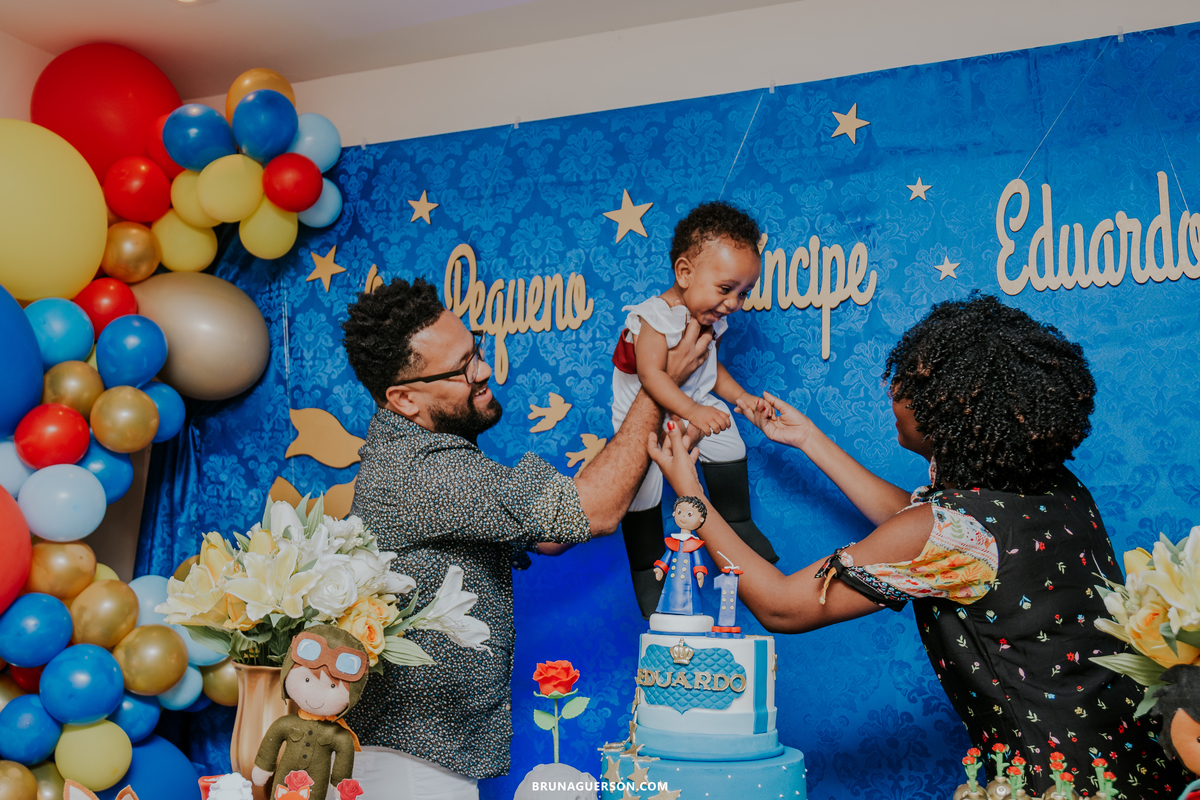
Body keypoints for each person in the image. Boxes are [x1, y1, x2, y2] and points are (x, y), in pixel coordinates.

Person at [646, 294, 1189, 796]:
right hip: (1139, 762)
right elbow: (926, 525)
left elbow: (783, 606)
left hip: (1060, 784)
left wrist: (689, 494)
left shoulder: (948, 533)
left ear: (952, 413)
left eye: (913, 382)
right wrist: (808, 438)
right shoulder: (1059, 487)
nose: (894, 390)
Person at [338, 276, 711, 800]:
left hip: (424, 754)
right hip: (403, 766)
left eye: (476, 351)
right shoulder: (422, 473)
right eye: (462, 367)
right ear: (402, 399)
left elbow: (556, 533)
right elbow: (596, 510)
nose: (484, 370)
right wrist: (656, 385)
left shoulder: (432, 458)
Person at [613, 200, 777, 620]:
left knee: (728, 444)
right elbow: (652, 376)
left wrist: (740, 398)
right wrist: (691, 411)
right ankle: (647, 570)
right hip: (645, 421)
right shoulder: (653, 318)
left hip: (694, 406)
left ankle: (737, 522)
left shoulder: (708, 318)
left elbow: (709, 367)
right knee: (643, 492)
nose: (734, 304)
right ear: (684, 273)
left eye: (743, 294)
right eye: (726, 290)